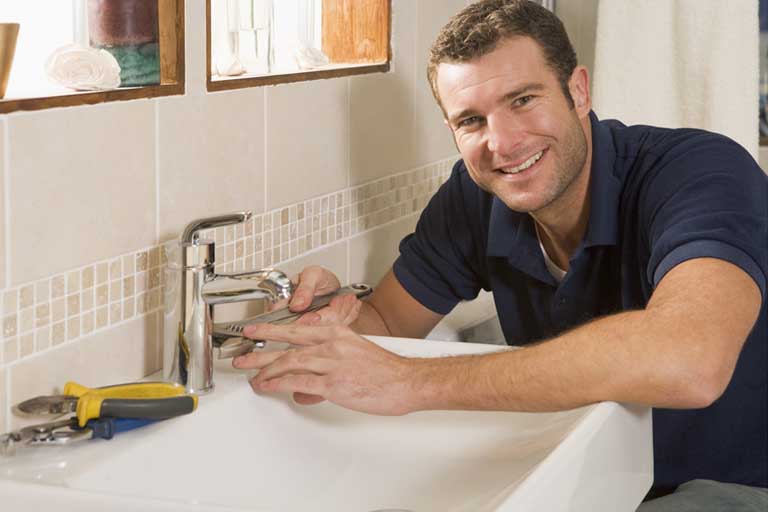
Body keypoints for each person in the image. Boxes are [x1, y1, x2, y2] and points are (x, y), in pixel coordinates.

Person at [232, 0, 768, 509]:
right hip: (595, 476)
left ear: (578, 91)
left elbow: (690, 361)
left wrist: (411, 382)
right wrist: (333, 315)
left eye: (523, 100)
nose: (503, 142)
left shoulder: (699, 172)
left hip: (730, 488)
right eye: (471, 121)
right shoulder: (474, 198)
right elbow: (387, 321)